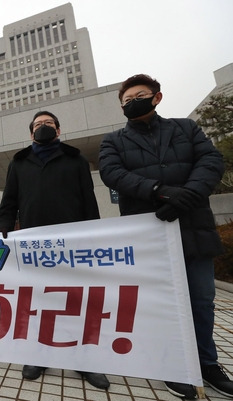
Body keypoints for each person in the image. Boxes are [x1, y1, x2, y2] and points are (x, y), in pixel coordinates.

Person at [99, 74, 231, 399]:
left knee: (202, 301)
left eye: (139, 96)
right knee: (160, 303)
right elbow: (112, 173)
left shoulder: (186, 128)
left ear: (157, 97)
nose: (133, 102)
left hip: (193, 227)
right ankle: (173, 364)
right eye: (127, 100)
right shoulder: (113, 140)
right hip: (149, 233)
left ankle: (208, 364)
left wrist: (187, 195)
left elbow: (211, 160)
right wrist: (158, 191)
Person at [0, 110, 110, 390]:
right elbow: (9, 201)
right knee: (39, 300)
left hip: (72, 244)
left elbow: (88, 200)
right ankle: (40, 354)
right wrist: (3, 229)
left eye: (48, 124)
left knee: (76, 301)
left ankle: (84, 361)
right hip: (34, 245)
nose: (43, 128)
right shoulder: (19, 163)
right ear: (31, 133)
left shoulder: (76, 160)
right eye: (38, 125)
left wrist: (92, 236)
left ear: (58, 131)